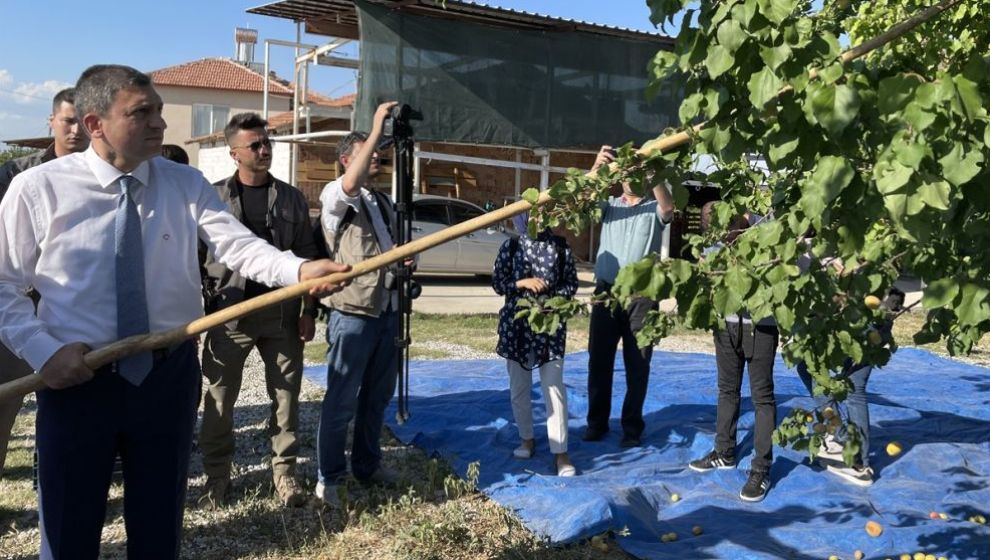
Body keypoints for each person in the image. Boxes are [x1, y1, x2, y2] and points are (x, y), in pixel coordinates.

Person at [0, 64, 347, 559]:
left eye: (160, 110)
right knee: (68, 528)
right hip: (75, 380)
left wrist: (299, 271)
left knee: (159, 524)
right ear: (96, 123)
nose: (160, 123)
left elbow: (239, 247)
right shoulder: (38, 189)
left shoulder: (184, 183)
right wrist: (44, 353)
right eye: (142, 112)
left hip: (166, 377)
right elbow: (3, 287)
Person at [196, 113, 320, 509]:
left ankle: (285, 476)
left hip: (281, 314)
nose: (264, 150)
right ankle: (217, 479)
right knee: (219, 401)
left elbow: (307, 257)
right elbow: (195, 260)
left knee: (286, 399)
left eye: (267, 144)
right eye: (256, 145)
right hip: (228, 313)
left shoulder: (291, 199)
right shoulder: (212, 199)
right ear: (234, 153)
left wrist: (308, 310)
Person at [314, 102, 405, 504]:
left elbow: (385, 248)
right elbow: (348, 186)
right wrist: (374, 127)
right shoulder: (336, 196)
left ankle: (367, 465)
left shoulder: (380, 201)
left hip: (386, 310)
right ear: (348, 159)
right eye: (371, 154)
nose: (380, 161)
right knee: (341, 400)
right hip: (353, 313)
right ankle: (329, 478)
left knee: (377, 396)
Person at [0, 87, 88, 479]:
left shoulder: (100, 177)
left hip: (71, 309)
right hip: (19, 306)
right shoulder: (16, 175)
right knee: (8, 403)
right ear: (51, 122)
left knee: (70, 406)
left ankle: (59, 484)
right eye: (67, 121)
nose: (75, 131)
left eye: (82, 122)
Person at [583, 145, 675, 448]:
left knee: (638, 363)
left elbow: (668, 207)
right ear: (618, 175)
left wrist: (650, 167)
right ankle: (596, 423)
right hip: (606, 292)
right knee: (599, 360)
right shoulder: (608, 205)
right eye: (625, 171)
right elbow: (584, 203)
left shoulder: (653, 207)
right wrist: (597, 168)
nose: (630, 176)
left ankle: (631, 428)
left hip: (642, 296)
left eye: (635, 172)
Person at [688, 202, 778, 502]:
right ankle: (725, 452)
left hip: (761, 325)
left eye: (724, 230)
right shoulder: (714, 244)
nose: (719, 237)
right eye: (714, 232)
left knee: (762, 397)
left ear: (739, 218)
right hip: (725, 324)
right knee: (727, 390)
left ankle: (761, 468)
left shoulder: (763, 233)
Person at [492, 212, 579, 477]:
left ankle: (560, 452)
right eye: (531, 215)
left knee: (554, 388)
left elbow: (571, 284)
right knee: (519, 387)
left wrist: (550, 301)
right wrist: (522, 283)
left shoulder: (560, 247)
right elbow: (498, 283)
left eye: (542, 214)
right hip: (517, 327)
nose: (536, 220)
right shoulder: (512, 246)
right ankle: (526, 438)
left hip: (549, 327)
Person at [796, 287, 904, 487]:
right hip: (874, 315)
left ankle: (853, 456)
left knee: (846, 385)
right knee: (809, 367)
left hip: (859, 318)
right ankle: (846, 445)